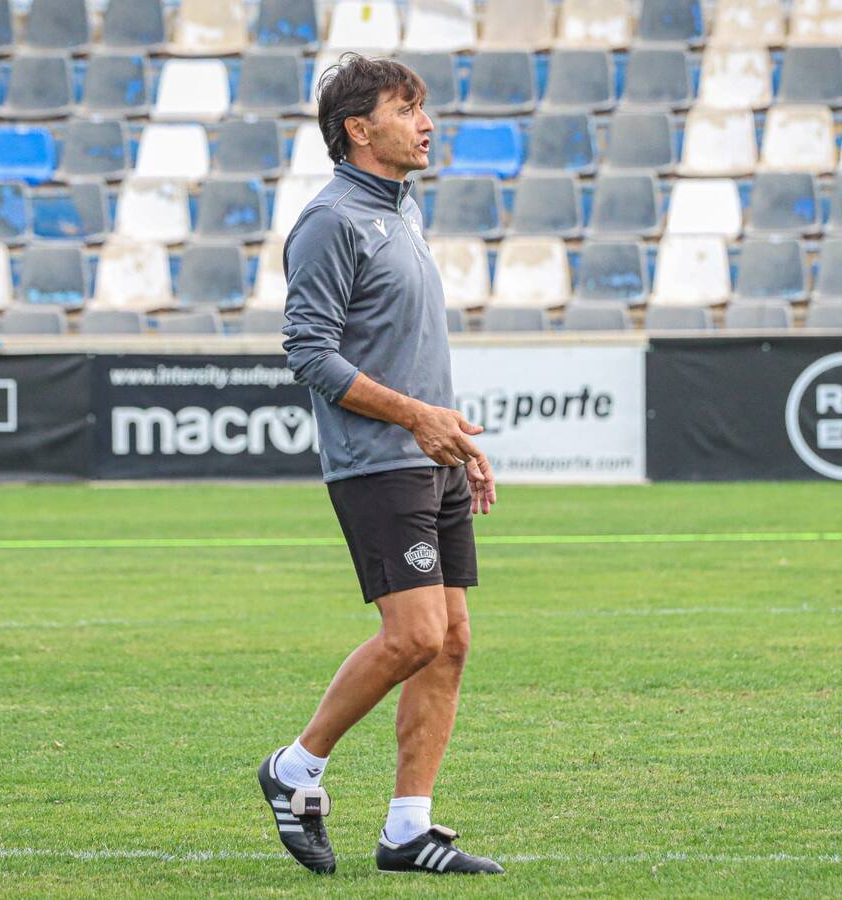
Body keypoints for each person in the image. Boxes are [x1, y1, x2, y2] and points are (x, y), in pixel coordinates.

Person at [257, 55, 503, 876]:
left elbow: (408, 351)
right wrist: (415, 419)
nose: (428, 123)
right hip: (376, 461)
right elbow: (307, 353)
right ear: (360, 129)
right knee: (417, 635)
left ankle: (407, 830)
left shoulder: (403, 212)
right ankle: (295, 770)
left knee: (453, 640)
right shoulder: (331, 220)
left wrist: (454, 440)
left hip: (428, 457)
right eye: (409, 108)